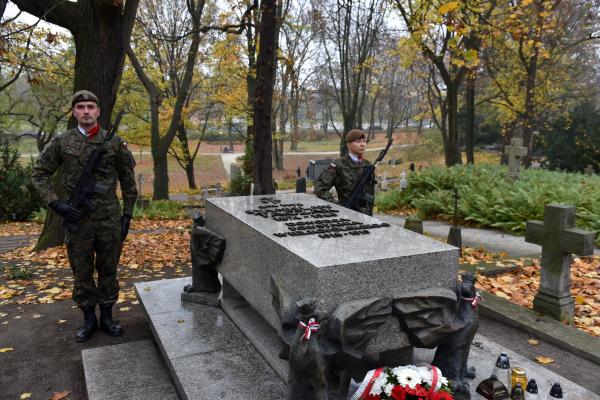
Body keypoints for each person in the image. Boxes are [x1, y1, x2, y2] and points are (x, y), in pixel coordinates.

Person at [31, 90, 138, 342]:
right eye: (81, 107)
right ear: (74, 112)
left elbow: (128, 182)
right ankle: (89, 318)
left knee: (108, 269)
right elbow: (38, 173)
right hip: (77, 219)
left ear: (98, 111)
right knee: (81, 271)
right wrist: (56, 204)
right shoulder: (62, 142)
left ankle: (108, 316)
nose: (86, 111)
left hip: (109, 219)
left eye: (91, 106)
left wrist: (127, 215)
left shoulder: (114, 142)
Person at [314, 129, 376, 215]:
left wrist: (369, 212)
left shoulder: (367, 165)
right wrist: (337, 206)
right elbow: (320, 189)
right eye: (358, 141)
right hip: (346, 214)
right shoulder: (338, 165)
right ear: (349, 145)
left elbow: (370, 193)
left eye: (364, 141)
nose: (362, 144)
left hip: (366, 216)